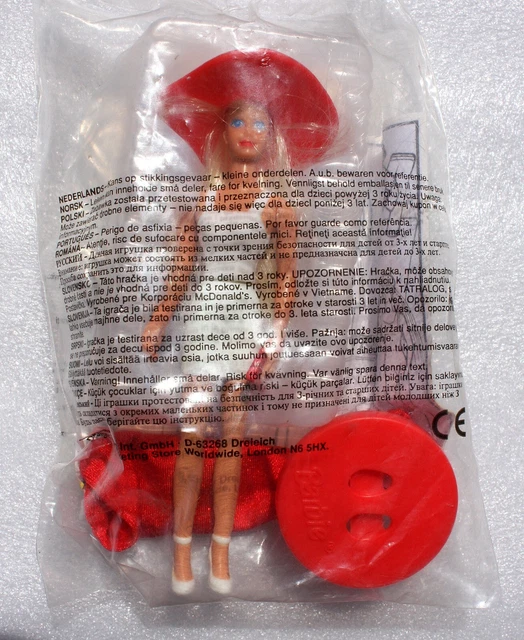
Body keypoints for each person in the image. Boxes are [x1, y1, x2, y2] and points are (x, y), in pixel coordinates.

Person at [142, 50, 338, 594]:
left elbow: (287, 278)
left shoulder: (277, 205)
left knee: (232, 436)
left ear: (271, 136)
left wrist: (274, 336)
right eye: (238, 121)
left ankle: (222, 551)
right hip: (203, 316)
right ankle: (182, 550)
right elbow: (181, 272)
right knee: (191, 432)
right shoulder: (201, 197)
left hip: (246, 319)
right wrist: (158, 320)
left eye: (260, 123)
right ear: (221, 131)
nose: (249, 131)